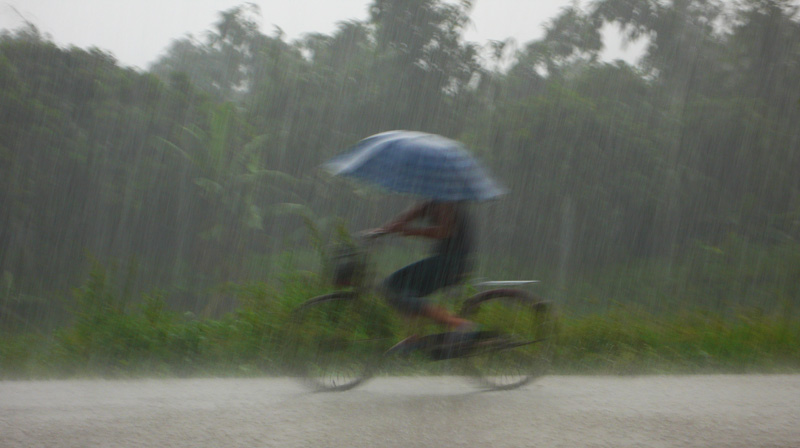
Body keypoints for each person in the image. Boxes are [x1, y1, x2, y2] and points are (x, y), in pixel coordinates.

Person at [370, 200, 477, 351]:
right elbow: (410, 214)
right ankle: (415, 337)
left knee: (393, 287)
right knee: (401, 291)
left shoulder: (445, 202)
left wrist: (410, 231)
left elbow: (444, 231)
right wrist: (382, 230)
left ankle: (459, 324)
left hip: (452, 264)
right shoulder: (433, 202)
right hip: (446, 262)